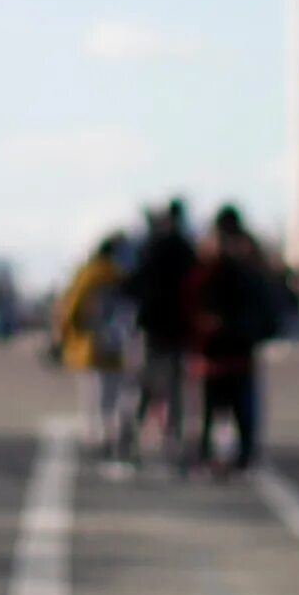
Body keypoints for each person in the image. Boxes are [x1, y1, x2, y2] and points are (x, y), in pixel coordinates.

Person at [185, 207, 285, 474]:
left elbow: (264, 306)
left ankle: (238, 455)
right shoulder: (210, 268)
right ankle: (215, 456)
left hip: (234, 351)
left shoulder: (245, 267)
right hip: (219, 353)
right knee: (215, 413)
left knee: (237, 411)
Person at [53, 232, 137, 465]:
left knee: (94, 397)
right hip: (117, 344)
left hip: (89, 344)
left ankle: (99, 439)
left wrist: (64, 335)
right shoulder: (122, 277)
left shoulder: (88, 275)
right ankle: (113, 437)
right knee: (114, 394)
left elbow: (71, 308)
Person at [128, 199, 196, 464]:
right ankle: (173, 440)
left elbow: (133, 285)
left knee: (146, 386)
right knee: (175, 389)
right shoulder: (186, 249)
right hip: (178, 329)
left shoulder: (152, 249)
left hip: (153, 327)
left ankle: (131, 437)